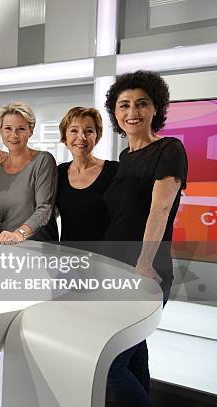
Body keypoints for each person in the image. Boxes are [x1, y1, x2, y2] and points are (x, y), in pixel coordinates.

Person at [103, 70, 188, 407]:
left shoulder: (169, 149)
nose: (132, 111)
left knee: (112, 364)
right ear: (116, 113)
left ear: (156, 108)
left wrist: (143, 262)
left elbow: (161, 209)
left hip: (143, 271)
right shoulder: (124, 158)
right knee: (134, 355)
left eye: (142, 103)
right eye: (124, 105)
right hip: (115, 268)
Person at [0, 102, 58, 243]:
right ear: (1, 131)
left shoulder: (43, 160)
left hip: (41, 248)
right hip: (7, 247)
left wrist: (18, 234)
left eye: (21, 129)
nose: (14, 135)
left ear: (31, 131)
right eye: (8, 128)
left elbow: (45, 209)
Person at [56, 107, 118, 246]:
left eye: (89, 131)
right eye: (74, 130)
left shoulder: (114, 170)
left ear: (97, 136)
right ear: (65, 137)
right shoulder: (59, 172)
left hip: (106, 259)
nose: (81, 137)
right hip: (67, 258)